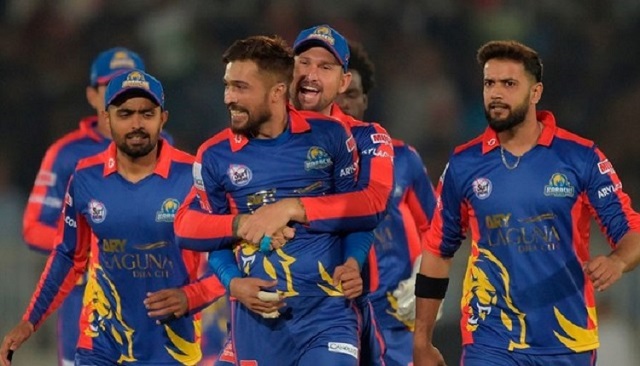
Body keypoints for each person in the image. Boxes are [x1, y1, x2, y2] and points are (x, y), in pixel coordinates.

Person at [413, 40, 640, 366]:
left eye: (509, 84)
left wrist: (617, 261)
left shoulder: (579, 157)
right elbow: (437, 249)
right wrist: (422, 339)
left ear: (535, 93)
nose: (496, 93)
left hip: (566, 340)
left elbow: (632, 230)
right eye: (489, 83)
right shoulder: (465, 163)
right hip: (489, 341)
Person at [174, 34, 390, 366]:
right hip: (259, 321)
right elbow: (196, 228)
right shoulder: (215, 156)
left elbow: (365, 209)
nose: (229, 97)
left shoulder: (340, 136)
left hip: (329, 312)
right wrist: (234, 275)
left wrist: (348, 257)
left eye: (240, 87)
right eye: (303, 63)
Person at [1, 69, 223, 365]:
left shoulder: (194, 177)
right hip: (101, 342)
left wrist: (193, 295)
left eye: (147, 114)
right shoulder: (85, 177)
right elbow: (68, 256)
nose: (136, 124)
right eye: (125, 113)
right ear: (107, 118)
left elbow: (230, 255)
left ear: (163, 118)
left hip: (172, 346)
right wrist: (30, 320)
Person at [20, 47, 174, 366]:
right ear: (93, 96)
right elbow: (34, 228)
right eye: (111, 88)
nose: (126, 101)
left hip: (152, 303)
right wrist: (94, 253)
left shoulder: (165, 146)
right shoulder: (66, 154)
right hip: (86, 302)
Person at [336, 40, 438, 366]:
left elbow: (438, 229)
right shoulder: (300, 164)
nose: (343, 103)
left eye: (352, 94)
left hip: (394, 315)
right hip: (331, 314)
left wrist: (424, 282)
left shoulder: (402, 159)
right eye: (337, 94)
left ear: (365, 99)